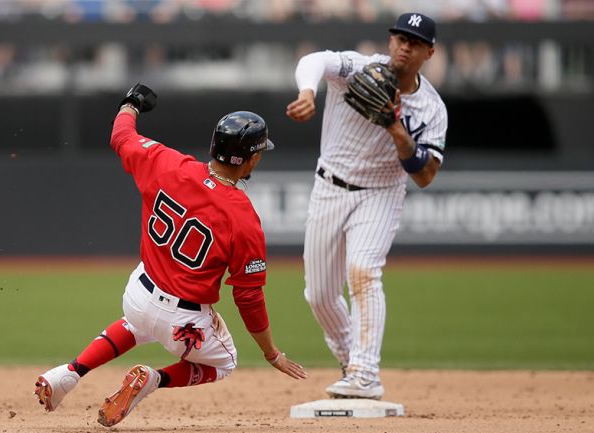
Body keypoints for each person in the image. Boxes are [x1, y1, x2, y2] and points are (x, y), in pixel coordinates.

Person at [34, 83, 307, 427]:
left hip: (138, 294)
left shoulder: (167, 163)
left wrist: (131, 104)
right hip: (184, 323)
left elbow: (121, 137)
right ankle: (153, 379)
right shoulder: (243, 217)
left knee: (137, 323)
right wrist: (271, 353)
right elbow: (248, 295)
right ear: (252, 158)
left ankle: (69, 373)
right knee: (225, 363)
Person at [285, 12, 447, 400]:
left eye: (415, 42)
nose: (405, 46)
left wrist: (395, 126)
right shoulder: (360, 69)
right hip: (329, 186)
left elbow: (426, 175)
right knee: (319, 294)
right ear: (390, 40)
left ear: (429, 52)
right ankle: (350, 360)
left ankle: (365, 372)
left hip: (380, 192)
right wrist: (308, 91)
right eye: (400, 38)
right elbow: (316, 61)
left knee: (363, 273)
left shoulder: (430, 108)